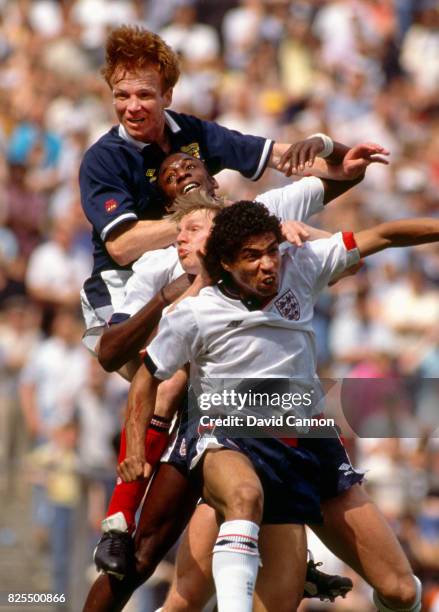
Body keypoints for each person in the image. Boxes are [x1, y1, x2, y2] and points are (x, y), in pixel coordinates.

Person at [83, 143, 386, 610]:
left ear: (214, 179)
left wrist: (329, 152)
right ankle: (119, 521)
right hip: (202, 419)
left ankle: (292, 555)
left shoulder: (262, 215)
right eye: (168, 177)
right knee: (147, 556)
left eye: (189, 164)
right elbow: (112, 351)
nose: (181, 172)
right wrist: (171, 294)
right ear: (169, 213)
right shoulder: (161, 262)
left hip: (279, 416)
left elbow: (344, 184)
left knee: (206, 586)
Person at [119, 201, 434, 611]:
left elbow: (386, 234)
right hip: (228, 438)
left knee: (402, 590)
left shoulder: (300, 266)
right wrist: (136, 444)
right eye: (253, 256)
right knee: (241, 502)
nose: (268, 264)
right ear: (227, 262)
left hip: (306, 443)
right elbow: (147, 376)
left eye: (271, 250)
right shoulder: (194, 315)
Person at [78, 24, 359, 354]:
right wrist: (203, 219)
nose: (132, 107)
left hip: (186, 273)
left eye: (144, 95)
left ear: (167, 94)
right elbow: (123, 247)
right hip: (121, 287)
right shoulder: (104, 159)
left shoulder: (192, 131)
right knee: (156, 370)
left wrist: (328, 148)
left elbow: (287, 157)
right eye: (121, 96)